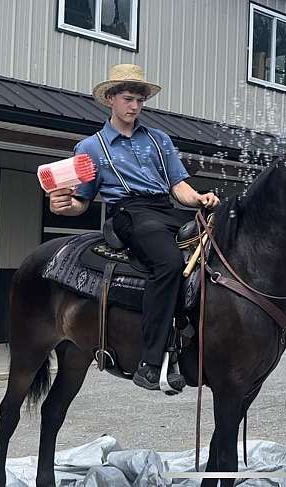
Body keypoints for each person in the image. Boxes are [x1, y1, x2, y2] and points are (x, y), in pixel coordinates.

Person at [49, 64, 219, 391]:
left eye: (140, 101)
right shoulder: (90, 148)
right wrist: (64, 206)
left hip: (165, 209)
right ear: (111, 99)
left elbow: (178, 187)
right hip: (129, 213)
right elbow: (81, 201)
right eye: (128, 99)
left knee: (215, 249)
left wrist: (200, 198)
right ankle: (150, 361)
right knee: (169, 263)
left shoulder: (160, 139)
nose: (135, 106)